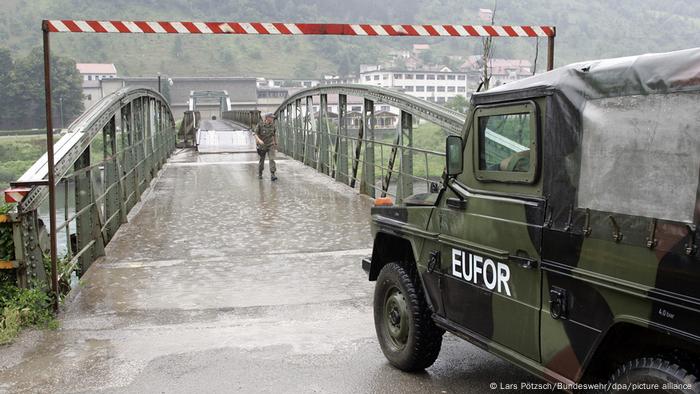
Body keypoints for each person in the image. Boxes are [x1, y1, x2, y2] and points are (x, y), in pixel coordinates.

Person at [254, 113, 278, 180]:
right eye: (271, 118)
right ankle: (260, 173)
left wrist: (275, 142)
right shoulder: (260, 125)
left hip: (270, 145)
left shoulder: (273, 126)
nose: (272, 119)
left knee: (272, 159)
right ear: (267, 118)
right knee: (262, 160)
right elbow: (255, 134)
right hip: (262, 146)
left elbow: (274, 134)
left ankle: (273, 174)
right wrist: (259, 140)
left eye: (273, 118)